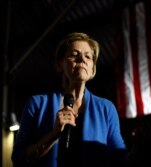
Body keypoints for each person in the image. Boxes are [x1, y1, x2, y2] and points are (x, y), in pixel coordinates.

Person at [11, 32, 127, 167]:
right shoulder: (36, 104)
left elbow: (120, 158)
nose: (82, 59)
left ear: (93, 69)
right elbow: (18, 159)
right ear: (60, 64)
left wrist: (139, 148)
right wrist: (53, 135)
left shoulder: (106, 109)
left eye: (88, 56)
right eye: (74, 54)